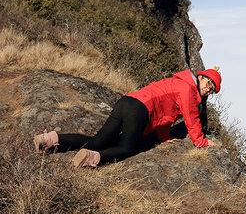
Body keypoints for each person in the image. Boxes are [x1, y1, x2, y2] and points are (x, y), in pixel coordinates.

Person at [33, 67, 222, 168]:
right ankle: (91, 159)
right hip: (139, 110)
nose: (208, 89)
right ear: (200, 77)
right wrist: (201, 142)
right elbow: (191, 118)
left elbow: (167, 114)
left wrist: (164, 137)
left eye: (212, 90)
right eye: (208, 83)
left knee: (98, 140)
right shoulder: (187, 89)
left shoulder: (178, 82)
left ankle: (49, 139)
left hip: (127, 101)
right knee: (127, 148)